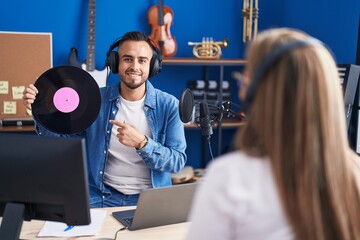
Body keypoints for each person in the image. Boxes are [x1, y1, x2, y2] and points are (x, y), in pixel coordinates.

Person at [186, 28, 360, 240]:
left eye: (245, 79)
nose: (241, 91)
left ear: (253, 92)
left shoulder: (230, 178)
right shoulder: (355, 172)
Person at [23, 31, 187, 208]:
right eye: (127, 59)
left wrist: (143, 143)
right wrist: (41, 111)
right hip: (101, 198)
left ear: (153, 65)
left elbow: (177, 162)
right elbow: (62, 142)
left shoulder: (170, 105)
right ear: (115, 62)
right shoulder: (94, 100)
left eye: (142, 60)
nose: (135, 66)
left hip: (151, 199)